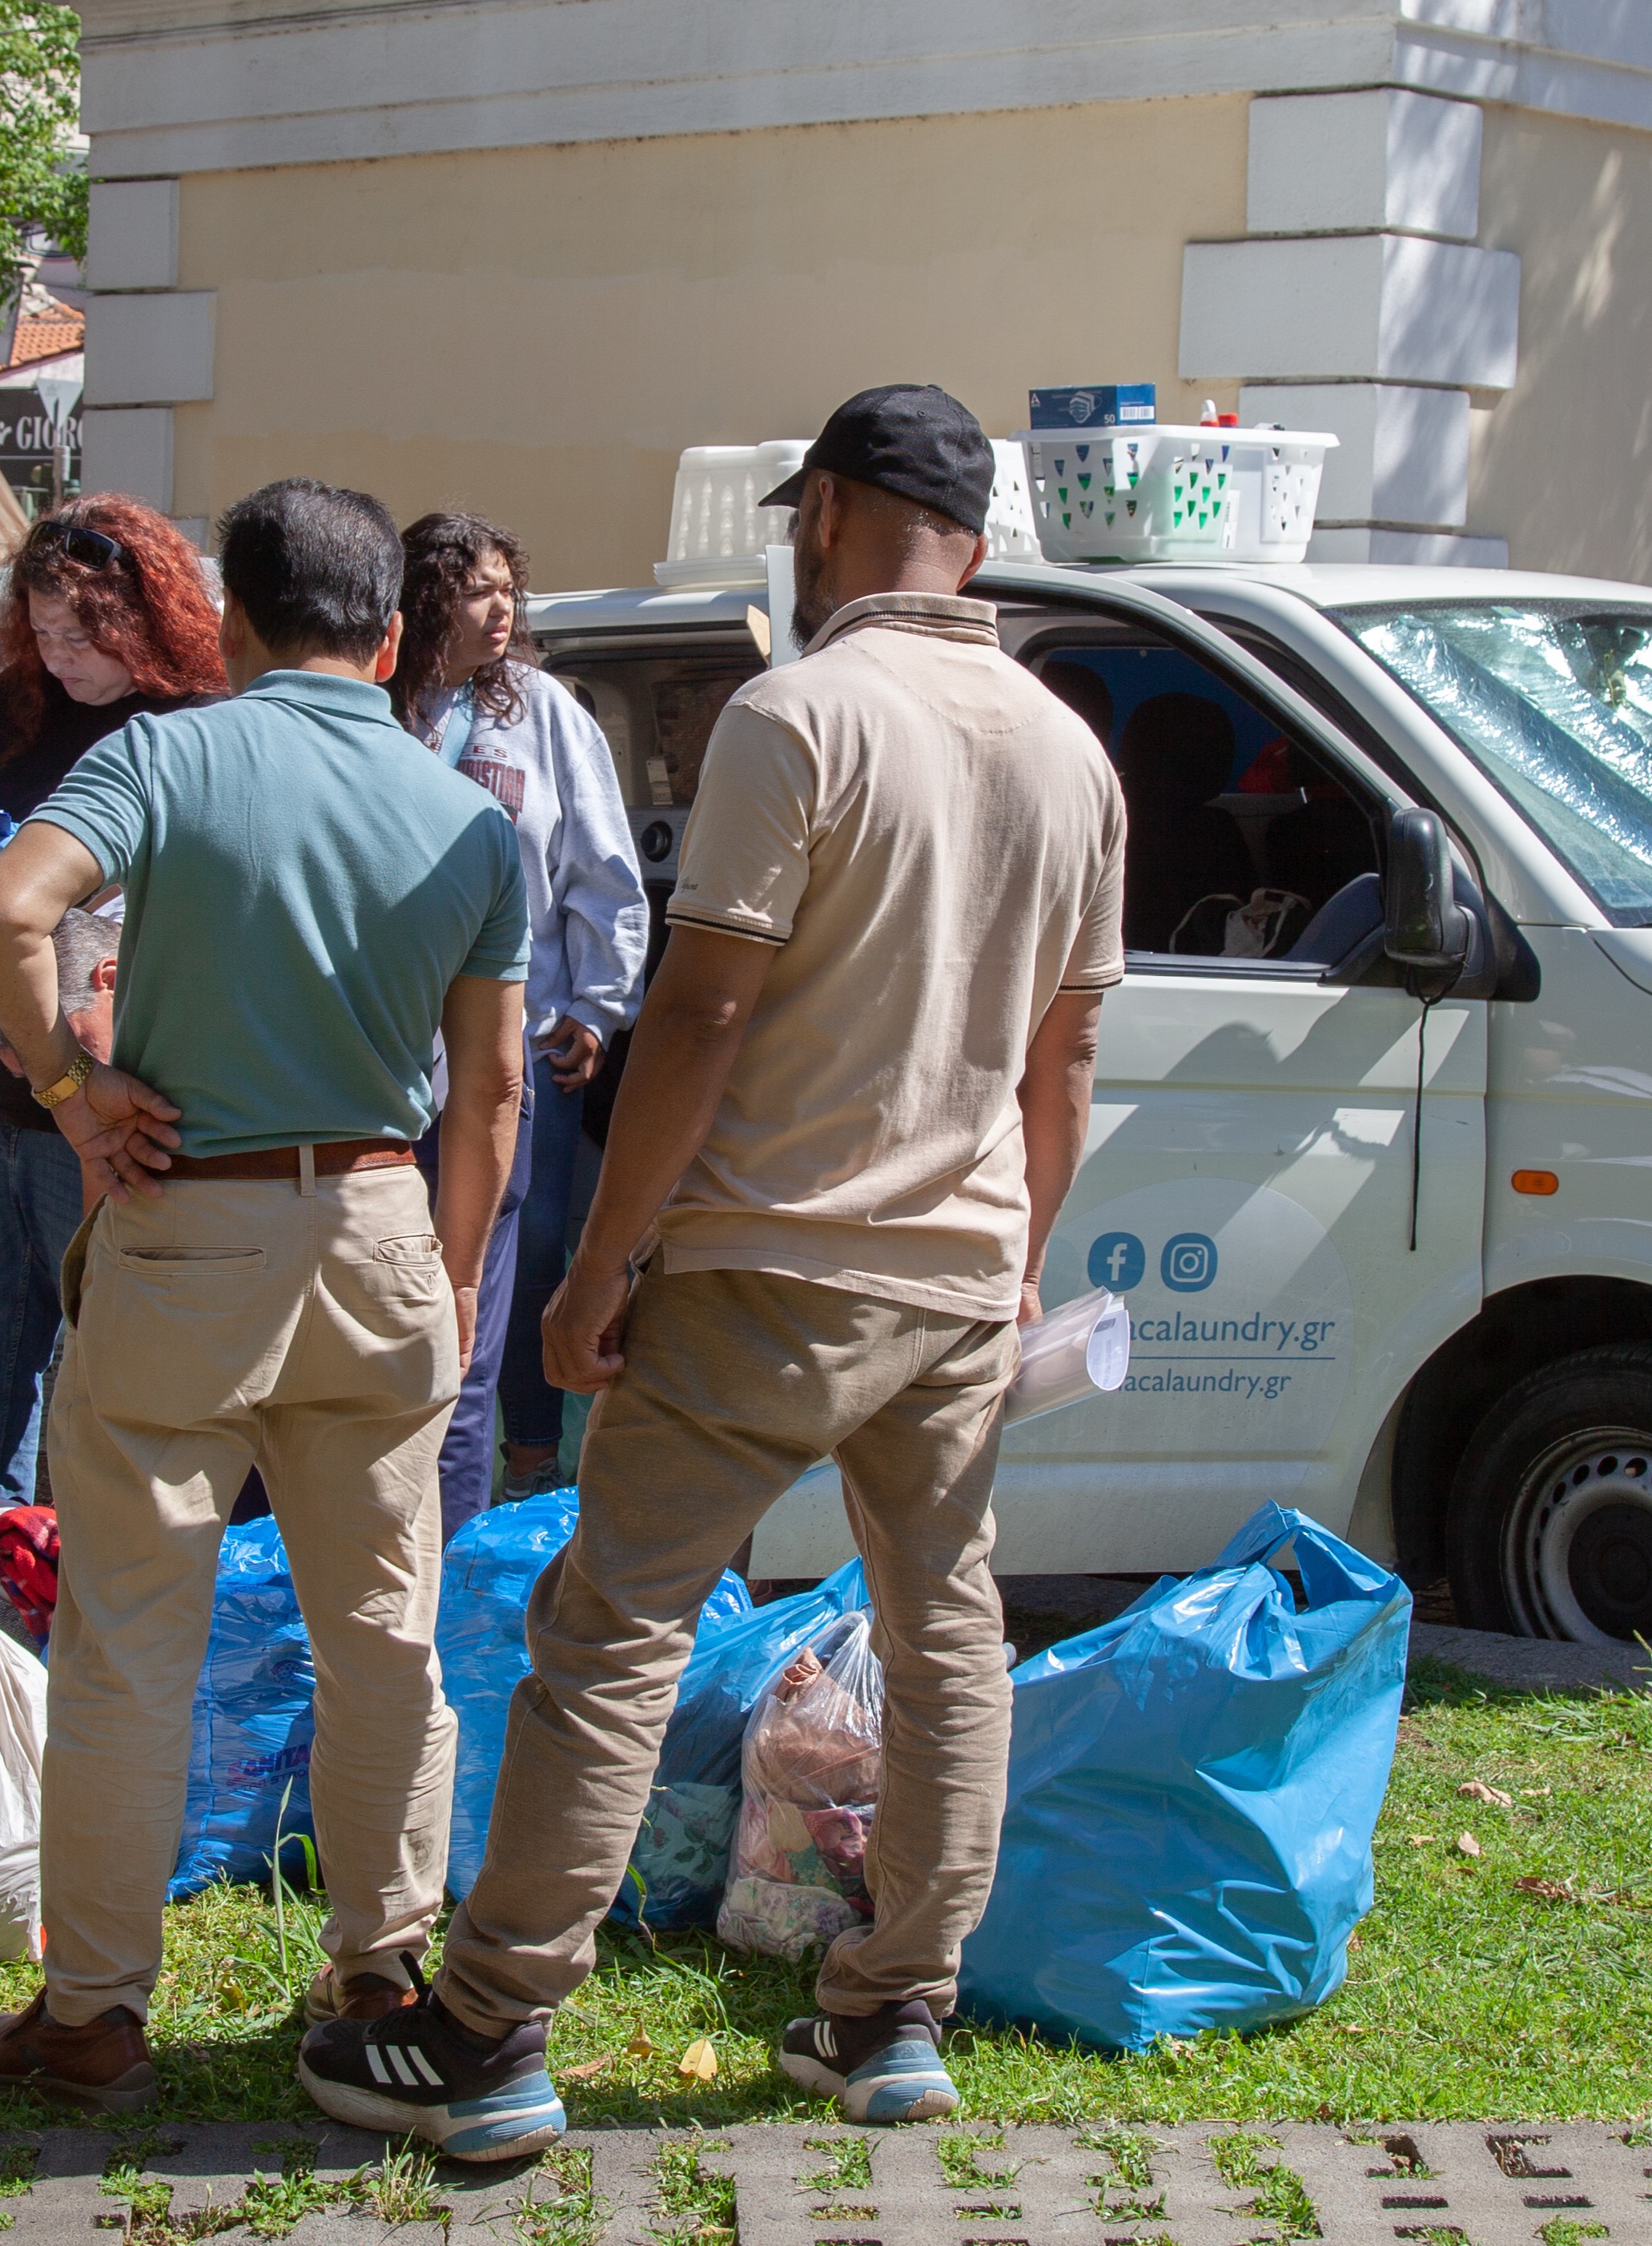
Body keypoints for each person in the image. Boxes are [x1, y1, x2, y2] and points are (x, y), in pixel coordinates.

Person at [303, 387, 1124, 2152]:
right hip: (963, 1282)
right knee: (947, 1637)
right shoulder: (1073, 752)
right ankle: (896, 2016)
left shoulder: (797, 714)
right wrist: (1014, 1262)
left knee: (608, 1634)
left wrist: (601, 1262)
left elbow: (704, 1006)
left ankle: (492, 2030)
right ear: (973, 538)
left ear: (826, 513)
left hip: (766, 1265)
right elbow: (1065, 1070)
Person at [0, 476, 529, 2115]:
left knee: (133, 1644)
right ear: (395, 632)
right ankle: (379, 1968)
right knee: (385, 1635)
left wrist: (69, 1088)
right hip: (380, 1221)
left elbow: (4, 911)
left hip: (184, 1226)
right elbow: (488, 1097)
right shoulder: (468, 818)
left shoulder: (166, 754)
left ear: (243, 620)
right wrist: (461, 1274)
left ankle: (94, 2013)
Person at [0, 497, 225, 1553]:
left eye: (86, 633)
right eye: (44, 633)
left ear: (152, 615)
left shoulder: (195, 732)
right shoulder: (7, 717)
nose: (64, 656)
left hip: (116, 1097)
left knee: (100, 1342)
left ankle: (78, 1550)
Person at [389, 512, 645, 1536]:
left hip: (517, 1045)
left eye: (508, 588)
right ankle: (403, 1469)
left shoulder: (542, 711)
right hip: (391, 1051)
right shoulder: (379, 705)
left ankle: (523, 1466)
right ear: (420, 602)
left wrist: (597, 1003)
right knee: (408, 1268)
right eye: (473, 590)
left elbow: (603, 865)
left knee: (517, 1261)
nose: (499, 610)